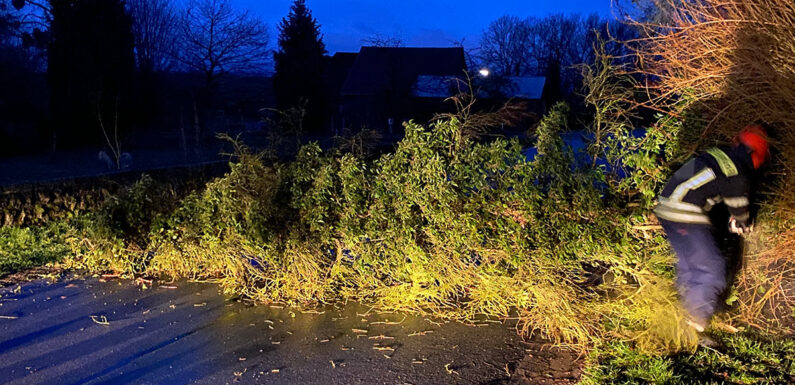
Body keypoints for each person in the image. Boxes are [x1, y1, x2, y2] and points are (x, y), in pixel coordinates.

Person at [654, 125, 770, 332]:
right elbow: (739, 205)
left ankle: (686, 313)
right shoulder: (738, 172)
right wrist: (742, 222)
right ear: (758, 155)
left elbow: (711, 183)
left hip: (667, 205)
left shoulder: (719, 154)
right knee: (710, 266)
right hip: (684, 210)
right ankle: (697, 317)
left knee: (690, 264)